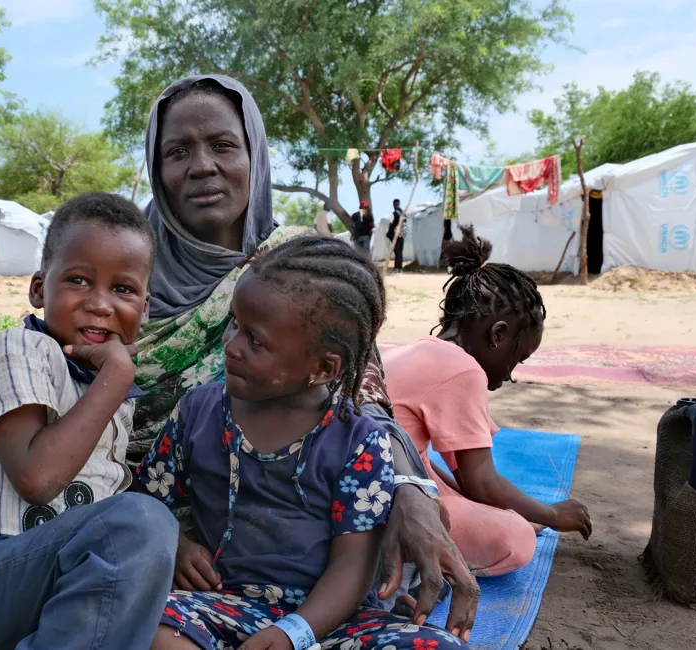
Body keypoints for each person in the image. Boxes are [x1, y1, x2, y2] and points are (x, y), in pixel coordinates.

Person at [134, 74, 478, 642]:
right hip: (185, 548)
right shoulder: (118, 275)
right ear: (156, 165)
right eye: (177, 151)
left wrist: (411, 491)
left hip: (331, 539)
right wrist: (158, 536)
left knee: (482, 543)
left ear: (255, 155)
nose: (200, 166)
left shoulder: (303, 270)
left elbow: (364, 403)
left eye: (223, 145)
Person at [139, 236, 464, 650]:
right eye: (234, 324)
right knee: (148, 623)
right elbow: (145, 503)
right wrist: (175, 544)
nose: (231, 346)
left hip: (328, 620)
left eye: (255, 341)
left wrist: (293, 634)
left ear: (323, 368)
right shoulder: (196, 413)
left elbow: (354, 566)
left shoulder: (359, 441)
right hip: (217, 605)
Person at [0, 193, 178, 650]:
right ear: (38, 289)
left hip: (45, 604)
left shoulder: (106, 387)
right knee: (140, 522)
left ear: (146, 309)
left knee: (152, 535)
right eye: (78, 280)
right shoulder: (16, 350)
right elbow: (38, 478)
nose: (99, 304)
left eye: (123, 289)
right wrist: (117, 374)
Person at [381, 224, 592, 578]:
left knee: (435, 474)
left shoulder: (415, 351)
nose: (512, 374)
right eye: (518, 357)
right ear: (498, 335)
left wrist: (521, 508)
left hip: (356, 481)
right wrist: (550, 516)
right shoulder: (462, 370)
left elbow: (458, 476)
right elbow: (481, 482)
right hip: (381, 500)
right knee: (515, 538)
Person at [387, 198, 407, 272]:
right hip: (402, 235)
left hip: (396, 235)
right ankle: (400, 268)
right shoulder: (403, 213)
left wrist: (389, 233)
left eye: (394, 204)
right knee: (400, 252)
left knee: (397, 251)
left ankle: (396, 268)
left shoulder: (395, 213)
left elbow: (391, 224)